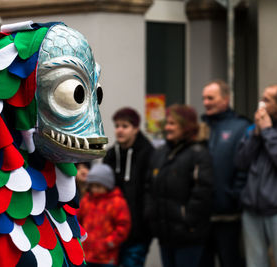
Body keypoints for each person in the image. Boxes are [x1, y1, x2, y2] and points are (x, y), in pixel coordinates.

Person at [144, 104, 213, 267]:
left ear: (186, 126)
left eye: (173, 123)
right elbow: (149, 187)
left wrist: (186, 220)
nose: (167, 127)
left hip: (188, 237)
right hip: (165, 234)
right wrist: (151, 215)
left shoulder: (199, 154)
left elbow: (203, 193)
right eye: (167, 123)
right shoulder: (160, 153)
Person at [235, 84, 277, 267]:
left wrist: (267, 132)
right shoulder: (253, 129)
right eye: (261, 98)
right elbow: (241, 163)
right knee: (255, 263)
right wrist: (257, 135)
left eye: (266, 100)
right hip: (252, 209)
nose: (261, 104)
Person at [199, 80, 249, 267]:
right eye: (204, 98)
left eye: (211, 98)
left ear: (226, 99)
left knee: (230, 261)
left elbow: (245, 167)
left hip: (228, 215)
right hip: (203, 215)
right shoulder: (201, 127)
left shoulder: (240, 128)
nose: (206, 102)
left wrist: (234, 195)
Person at [102, 107, 155, 267]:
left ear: (136, 128)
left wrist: (147, 223)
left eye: (125, 126)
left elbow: (150, 191)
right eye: (117, 126)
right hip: (113, 232)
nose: (119, 130)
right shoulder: (111, 154)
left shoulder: (148, 153)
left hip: (138, 231)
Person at [77, 163, 131, 267]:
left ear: (107, 185)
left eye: (98, 186)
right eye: (92, 186)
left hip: (107, 257)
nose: (95, 189)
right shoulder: (86, 201)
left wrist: (109, 243)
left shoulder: (117, 202)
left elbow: (123, 227)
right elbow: (78, 220)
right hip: (86, 254)